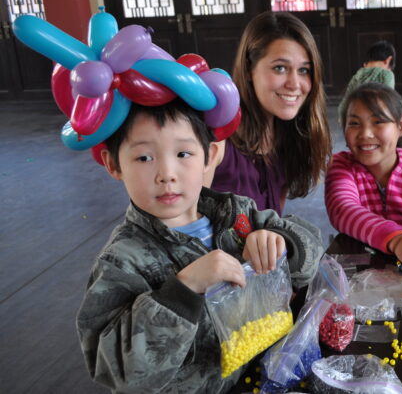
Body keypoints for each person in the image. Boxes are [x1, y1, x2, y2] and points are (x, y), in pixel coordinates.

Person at [77, 99, 324, 392]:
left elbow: (312, 244)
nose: (167, 174)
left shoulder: (237, 214)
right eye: (144, 158)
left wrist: (282, 243)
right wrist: (182, 291)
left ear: (211, 155)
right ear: (112, 163)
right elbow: (118, 370)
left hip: (264, 377)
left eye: (183, 153)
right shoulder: (122, 261)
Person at [207, 11, 331, 214]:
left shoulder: (290, 135)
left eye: (304, 70)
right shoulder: (218, 140)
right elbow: (185, 227)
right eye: (280, 68)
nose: (294, 84)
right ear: (249, 69)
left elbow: (274, 223)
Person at [325, 83, 402, 275]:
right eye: (354, 123)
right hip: (365, 277)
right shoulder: (342, 165)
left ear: (401, 125)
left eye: (378, 122)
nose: (365, 133)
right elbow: (343, 209)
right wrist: (397, 239)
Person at [337, 40, 402, 122]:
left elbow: (346, 100)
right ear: (388, 60)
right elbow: (390, 98)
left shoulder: (358, 75)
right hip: (378, 118)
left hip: (358, 118)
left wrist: (342, 118)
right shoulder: (386, 74)